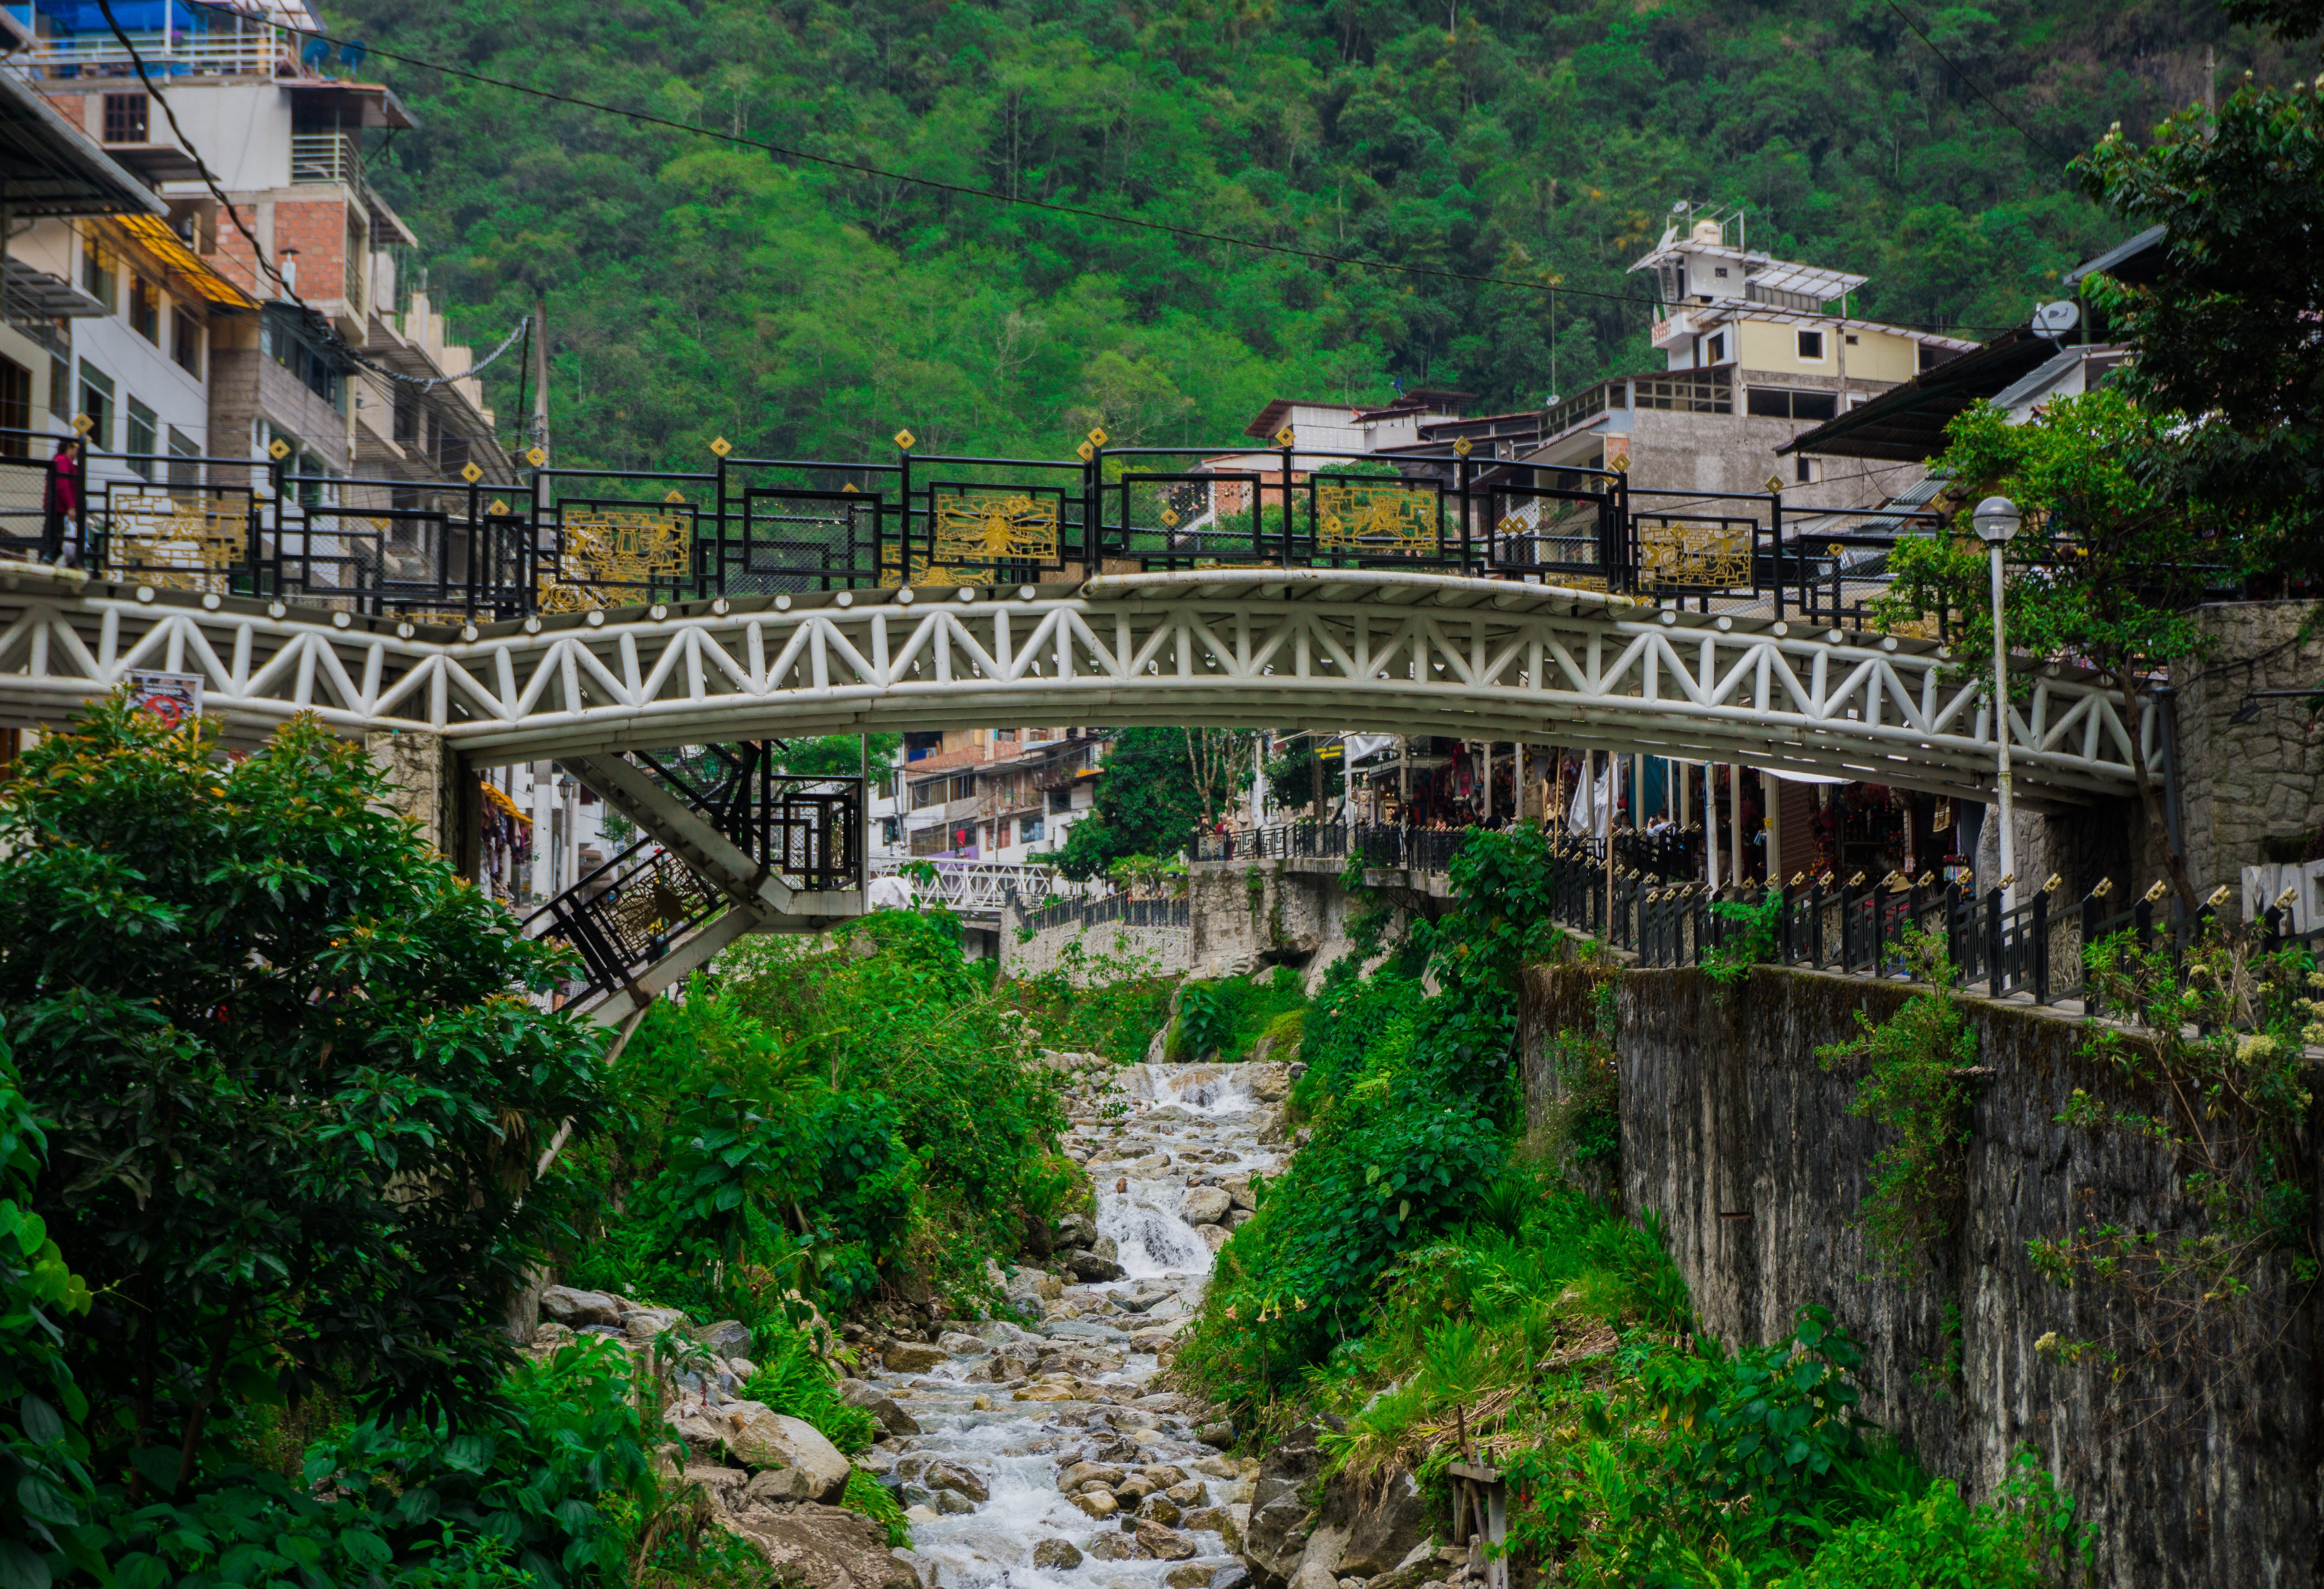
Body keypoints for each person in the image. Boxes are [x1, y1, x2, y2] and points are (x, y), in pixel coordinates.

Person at [42, 438, 80, 564]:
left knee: (53, 540)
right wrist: (71, 506)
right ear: (70, 448)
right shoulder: (63, 460)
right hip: (58, 508)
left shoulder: (59, 460)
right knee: (56, 543)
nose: (77, 453)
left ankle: (44, 563)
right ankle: (44, 565)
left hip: (57, 507)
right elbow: (63, 484)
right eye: (76, 450)